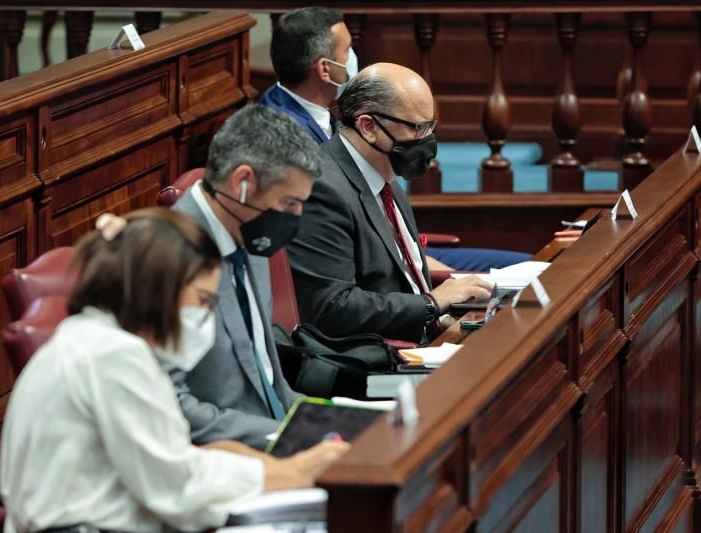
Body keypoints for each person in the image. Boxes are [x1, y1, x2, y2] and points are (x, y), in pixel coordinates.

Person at [0, 209, 348, 533]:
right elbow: (178, 489)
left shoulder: (88, 337)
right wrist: (292, 472)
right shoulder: (115, 355)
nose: (206, 317)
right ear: (159, 289)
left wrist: (232, 461)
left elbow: (156, 467)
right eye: (204, 301)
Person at [288, 63, 497, 343]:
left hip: (424, 335)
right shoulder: (322, 189)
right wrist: (431, 303)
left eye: (431, 125)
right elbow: (332, 308)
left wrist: (445, 314)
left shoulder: (384, 173)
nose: (428, 139)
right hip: (381, 355)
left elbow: (407, 278)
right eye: (418, 127)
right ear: (368, 126)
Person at [171, 104, 322, 449]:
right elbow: (170, 405)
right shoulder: (168, 257)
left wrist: (326, 421)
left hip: (276, 434)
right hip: (223, 456)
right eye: (289, 203)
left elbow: (267, 378)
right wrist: (279, 436)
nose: (296, 217)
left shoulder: (248, 233)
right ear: (242, 182)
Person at [259, 7, 357, 145]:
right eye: (347, 49)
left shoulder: (277, 95)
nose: (352, 56)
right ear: (325, 69)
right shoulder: (290, 140)